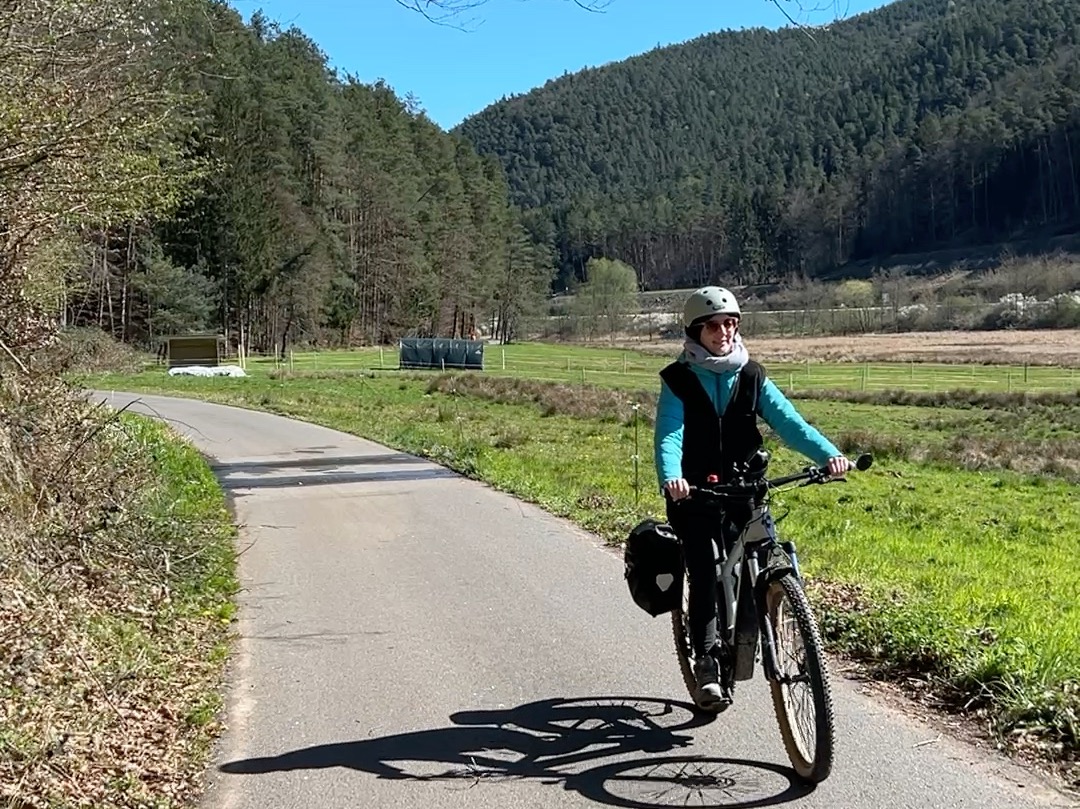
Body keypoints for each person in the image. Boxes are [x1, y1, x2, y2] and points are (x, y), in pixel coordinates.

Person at [654, 285, 852, 711]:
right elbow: (670, 434)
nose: (722, 332)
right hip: (696, 490)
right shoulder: (679, 379)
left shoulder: (752, 375)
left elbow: (790, 423)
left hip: (746, 485)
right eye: (712, 326)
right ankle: (706, 659)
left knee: (765, 549)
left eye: (729, 324)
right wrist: (672, 477)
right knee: (704, 568)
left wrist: (830, 455)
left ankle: (779, 624)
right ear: (695, 331)